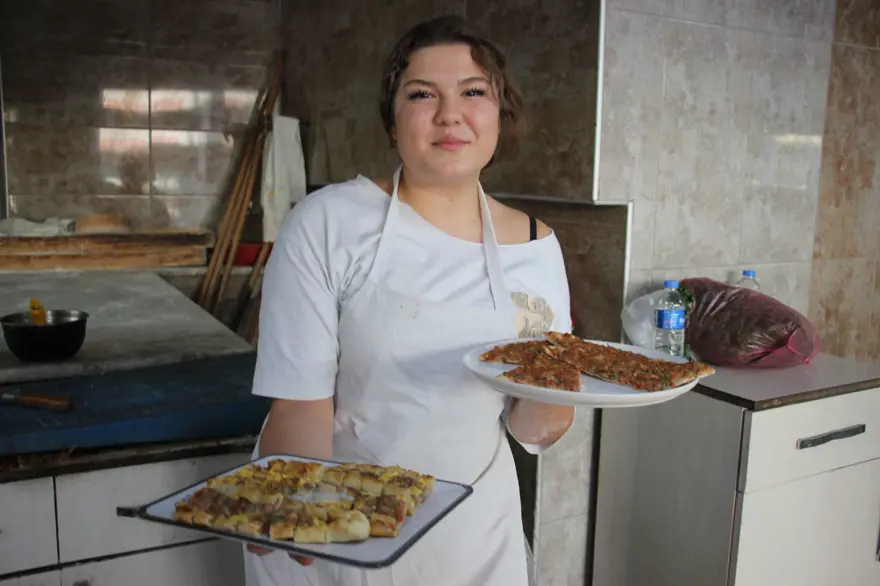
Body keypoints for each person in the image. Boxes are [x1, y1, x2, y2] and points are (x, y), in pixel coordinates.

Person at [244, 14, 576, 586]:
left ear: (500, 116)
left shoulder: (535, 245)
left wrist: (559, 391)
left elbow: (531, 427)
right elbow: (299, 406)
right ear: (393, 121)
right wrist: (301, 507)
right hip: (343, 524)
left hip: (474, 536)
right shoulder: (329, 223)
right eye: (423, 94)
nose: (450, 114)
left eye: (474, 93)